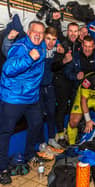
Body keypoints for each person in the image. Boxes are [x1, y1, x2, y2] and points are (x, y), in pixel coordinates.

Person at [0, 21, 46, 185]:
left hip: (31, 97)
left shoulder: (42, 46)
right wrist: (28, 58)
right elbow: (8, 69)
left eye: (41, 33)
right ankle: (2, 169)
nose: (38, 35)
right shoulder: (20, 46)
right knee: (5, 132)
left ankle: (28, 155)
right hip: (13, 96)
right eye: (35, 32)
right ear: (28, 32)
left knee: (37, 123)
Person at [66, 36, 95, 145]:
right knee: (73, 122)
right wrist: (75, 76)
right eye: (85, 46)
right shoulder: (74, 57)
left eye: (90, 46)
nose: (87, 49)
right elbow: (67, 72)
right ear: (82, 46)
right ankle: (72, 144)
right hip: (79, 92)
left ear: (93, 46)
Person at [53, 22, 81, 147]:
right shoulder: (62, 45)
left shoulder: (80, 45)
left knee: (71, 109)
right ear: (67, 32)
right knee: (62, 108)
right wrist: (64, 60)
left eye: (76, 31)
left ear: (78, 32)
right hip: (61, 81)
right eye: (71, 31)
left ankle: (69, 133)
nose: (73, 33)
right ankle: (60, 134)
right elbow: (53, 66)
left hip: (73, 82)